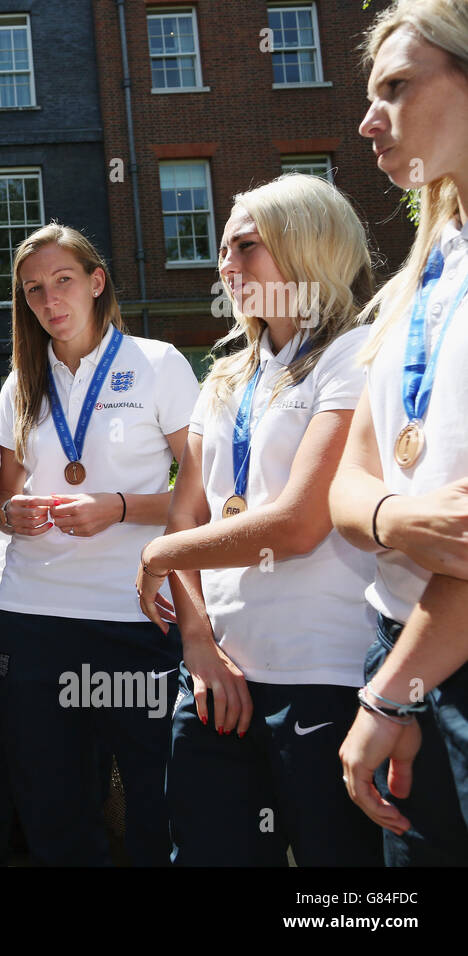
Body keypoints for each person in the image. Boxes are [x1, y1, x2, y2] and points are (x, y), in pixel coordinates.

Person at [136, 175, 383, 866]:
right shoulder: (223, 377)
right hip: (216, 674)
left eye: (247, 246)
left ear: (307, 247)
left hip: (325, 672)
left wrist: (161, 556)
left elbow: (301, 522)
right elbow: (187, 512)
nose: (227, 265)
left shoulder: (354, 358)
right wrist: (197, 645)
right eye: (223, 250)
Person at [0, 223, 199, 865]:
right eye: (33, 291)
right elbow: (0, 499)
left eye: (63, 281)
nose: (50, 301)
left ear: (96, 282)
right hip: (34, 618)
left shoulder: (159, 363)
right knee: (52, 803)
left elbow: (206, 494)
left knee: (152, 797)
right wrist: (10, 514)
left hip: (130, 615)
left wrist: (121, 508)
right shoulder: (19, 384)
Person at [331, 0, 468, 865]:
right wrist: (392, 521)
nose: (366, 118)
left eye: (397, 88)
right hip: (407, 649)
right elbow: (352, 480)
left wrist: (391, 695)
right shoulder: (413, 281)